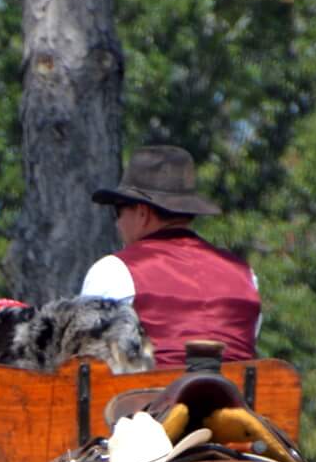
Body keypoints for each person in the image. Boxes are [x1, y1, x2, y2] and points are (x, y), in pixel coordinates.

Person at [80, 144, 261, 367]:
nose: (117, 223)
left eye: (118, 211)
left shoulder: (114, 271)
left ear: (142, 212)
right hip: (239, 398)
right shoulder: (245, 275)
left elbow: (89, 367)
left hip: (150, 398)